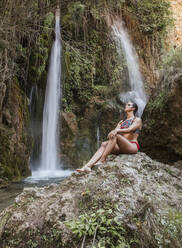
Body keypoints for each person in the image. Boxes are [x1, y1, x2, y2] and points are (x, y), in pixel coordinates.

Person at [76, 101, 142, 173]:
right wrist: (113, 132)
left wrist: (115, 131)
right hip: (121, 147)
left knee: (116, 135)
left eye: (128, 105)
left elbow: (129, 129)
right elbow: (115, 131)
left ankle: (102, 160)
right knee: (104, 144)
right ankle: (87, 166)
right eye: (126, 104)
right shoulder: (122, 122)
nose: (126, 106)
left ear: (133, 108)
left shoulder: (137, 120)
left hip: (132, 145)